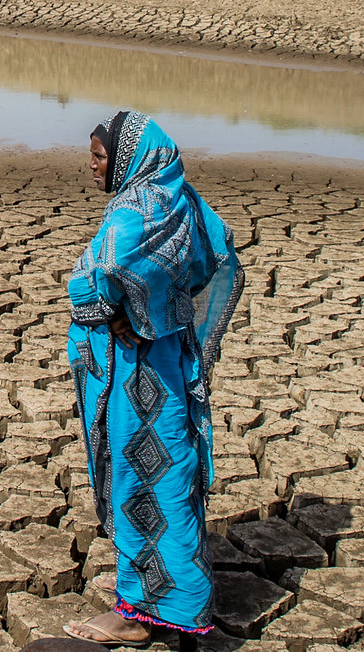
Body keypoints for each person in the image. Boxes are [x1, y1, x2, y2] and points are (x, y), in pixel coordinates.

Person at [63, 111, 244, 646]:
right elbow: (218, 253)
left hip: (140, 378)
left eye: (99, 157)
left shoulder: (134, 211)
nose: (92, 168)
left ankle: (138, 615)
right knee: (169, 473)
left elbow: (94, 279)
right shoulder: (180, 198)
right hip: (169, 364)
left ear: (126, 158)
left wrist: (131, 313)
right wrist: (160, 311)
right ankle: (175, 597)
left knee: (142, 477)